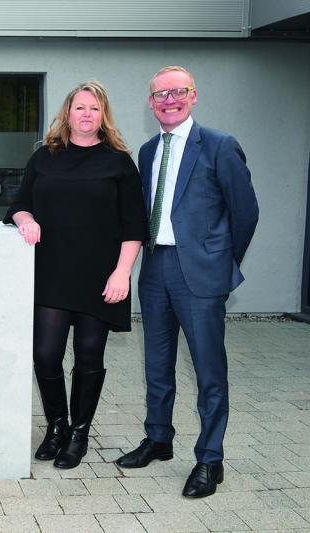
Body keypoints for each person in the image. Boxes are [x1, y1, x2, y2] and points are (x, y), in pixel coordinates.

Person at [115, 66, 259, 498]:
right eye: (160, 95)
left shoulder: (219, 145)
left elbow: (245, 213)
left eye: (178, 92)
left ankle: (209, 460)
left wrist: (220, 263)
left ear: (193, 96)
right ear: (151, 103)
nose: (169, 100)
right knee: (156, 366)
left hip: (200, 275)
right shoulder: (147, 151)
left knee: (208, 371)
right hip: (155, 269)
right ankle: (159, 439)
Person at [5, 81, 146, 469]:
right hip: (52, 272)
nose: (87, 114)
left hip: (100, 276)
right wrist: (26, 220)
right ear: (67, 113)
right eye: (81, 107)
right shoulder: (45, 157)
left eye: (95, 109)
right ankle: (56, 426)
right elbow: (19, 202)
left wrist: (122, 274)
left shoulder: (119, 161)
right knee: (45, 355)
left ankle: (79, 434)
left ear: (104, 116)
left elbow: (134, 224)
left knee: (88, 356)